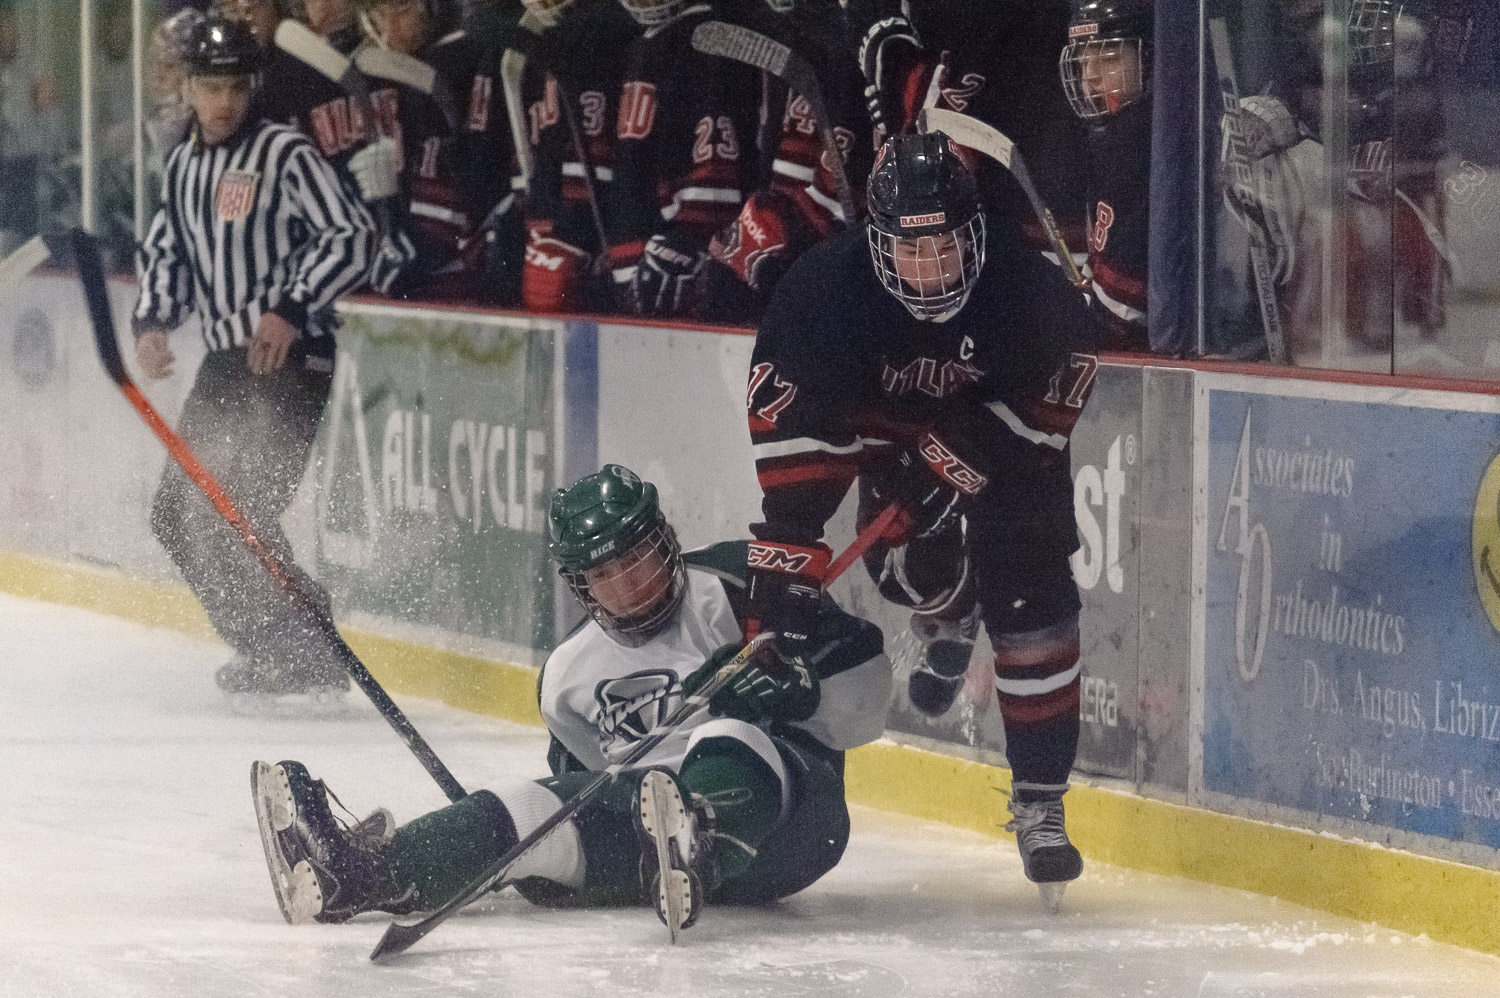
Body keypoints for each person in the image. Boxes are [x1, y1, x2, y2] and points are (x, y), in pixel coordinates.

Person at [251, 464, 892, 934]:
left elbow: (867, 693)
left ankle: (704, 832)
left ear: (666, 541)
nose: (628, 585)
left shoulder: (738, 584)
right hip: (655, 858)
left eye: (637, 558)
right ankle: (357, 875)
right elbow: (589, 793)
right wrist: (530, 854)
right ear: (579, 585)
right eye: (603, 574)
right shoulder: (566, 677)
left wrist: (802, 691)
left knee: (725, 733)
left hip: (792, 830)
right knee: (532, 804)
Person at [745, 132, 1094, 901]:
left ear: (973, 235)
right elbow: (795, 424)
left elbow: (1061, 385)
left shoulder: (1024, 286)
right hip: (885, 438)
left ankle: (1040, 803)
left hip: (1003, 445)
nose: (930, 270)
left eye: (944, 248)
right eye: (912, 251)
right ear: (877, 242)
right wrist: (792, 553)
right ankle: (949, 611)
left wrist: (968, 455)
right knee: (908, 570)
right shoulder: (822, 291)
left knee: (1033, 598)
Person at [133, 14, 378, 700]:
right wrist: (153, 320)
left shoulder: (285, 153)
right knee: (177, 512)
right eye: (211, 87)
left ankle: (308, 643)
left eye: (236, 87)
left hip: (290, 359)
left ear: (252, 87)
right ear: (189, 88)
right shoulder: (182, 163)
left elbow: (351, 235)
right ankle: (272, 645)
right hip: (221, 363)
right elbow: (167, 253)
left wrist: (292, 306)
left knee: (240, 503)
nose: (223, 102)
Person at [1058, 0, 1152, 352]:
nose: (1090, 75)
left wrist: (1094, 304)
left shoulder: (1148, 144)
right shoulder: (1111, 136)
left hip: (1143, 344)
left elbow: (1126, 307)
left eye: (1109, 57)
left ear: (1149, 61)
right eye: (1084, 59)